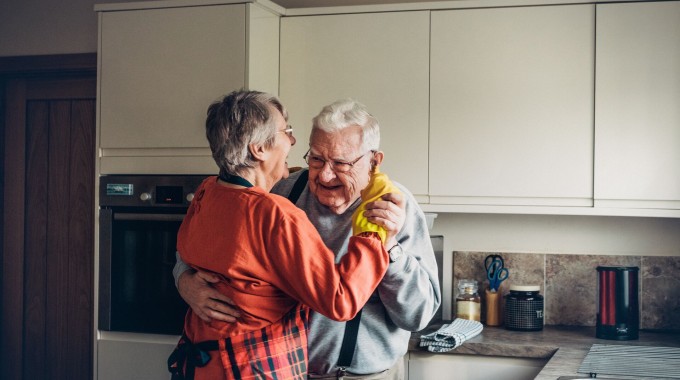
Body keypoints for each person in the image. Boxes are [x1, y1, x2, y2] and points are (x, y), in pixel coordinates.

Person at [174, 98, 441, 379]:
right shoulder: (279, 191)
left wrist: (389, 248)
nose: (325, 175)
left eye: (341, 163)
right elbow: (205, 243)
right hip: (275, 370)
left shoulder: (395, 208)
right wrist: (184, 280)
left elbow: (418, 317)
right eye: (316, 158)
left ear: (374, 161)